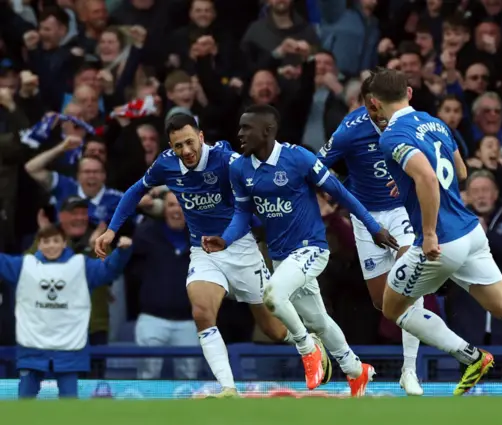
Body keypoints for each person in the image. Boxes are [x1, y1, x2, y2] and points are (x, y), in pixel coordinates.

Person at [366, 68, 502, 396]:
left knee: (393, 308)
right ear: (409, 94)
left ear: (374, 104)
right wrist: (409, 179)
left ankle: (470, 357)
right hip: (470, 231)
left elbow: (428, 179)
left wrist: (429, 232)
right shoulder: (434, 122)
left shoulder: (391, 136)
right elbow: (460, 170)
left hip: (440, 240)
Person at [94, 113, 327, 398]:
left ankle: (309, 342)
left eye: (190, 142)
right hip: (203, 251)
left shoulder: (225, 160)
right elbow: (134, 191)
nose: (186, 151)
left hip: (241, 250)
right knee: (202, 313)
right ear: (171, 145)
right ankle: (228, 388)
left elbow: (258, 183)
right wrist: (111, 230)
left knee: (274, 331)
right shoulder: (166, 164)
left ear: (201, 137)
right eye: (179, 146)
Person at [202, 104, 398, 396]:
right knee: (319, 319)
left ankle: (309, 350)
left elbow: (341, 192)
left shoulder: (298, 158)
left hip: (311, 249)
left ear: (268, 131)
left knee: (273, 295)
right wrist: (226, 239)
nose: (239, 133)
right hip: (282, 256)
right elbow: (243, 213)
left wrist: (372, 227)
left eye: (246, 128)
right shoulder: (239, 168)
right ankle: (357, 371)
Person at [316, 72, 423, 396]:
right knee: (384, 303)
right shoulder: (349, 131)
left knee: (410, 278)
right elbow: (320, 166)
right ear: (367, 104)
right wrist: (339, 194)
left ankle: (410, 370)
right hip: (365, 216)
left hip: (403, 208)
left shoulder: (409, 123)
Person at [0, 224, 132, 398]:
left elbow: (108, 270)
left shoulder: (81, 266)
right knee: (25, 403)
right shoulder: (24, 265)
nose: (51, 245)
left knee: (69, 407)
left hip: (69, 349)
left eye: (56, 240)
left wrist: (121, 252)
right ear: (39, 244)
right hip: (32, 349)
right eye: (46, 241)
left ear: (64, 243)